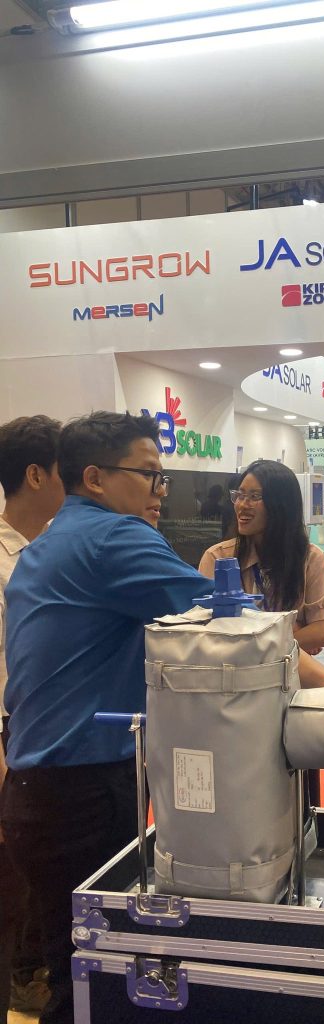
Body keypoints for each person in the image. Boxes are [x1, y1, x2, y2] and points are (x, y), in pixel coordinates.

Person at [0, 412, 324, 1024]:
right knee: (93, 977)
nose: (160, 490)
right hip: (83, 788)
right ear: (95, 478)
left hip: (42, 785)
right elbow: (243, 628)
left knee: (74, 962)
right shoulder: (115, 539)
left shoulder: (51, 541)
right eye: (149, 475)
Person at [0, 416, 64, 1020]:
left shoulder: (49, 549)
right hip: (7, 733)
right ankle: (19, 976)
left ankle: (30, 966)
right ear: (36, 475)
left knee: (31, 870)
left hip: (38, 730)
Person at [199, 460, 324, 656]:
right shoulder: (218, 558)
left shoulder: (310, 559)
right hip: (233, 668)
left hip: (290, 670)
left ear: (281, 504)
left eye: (254, 496)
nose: (242, 505)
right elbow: (207, 629)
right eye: (240, 495)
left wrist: (250, 639)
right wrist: (292, 632)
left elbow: (321, 633)